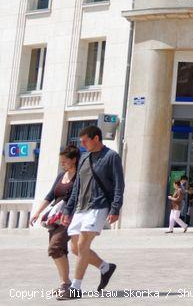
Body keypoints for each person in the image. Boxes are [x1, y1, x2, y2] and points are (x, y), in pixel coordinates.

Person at [57, 125, 124, 300]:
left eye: (85, 141)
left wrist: (116, 207)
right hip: (81, 207)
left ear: (96, 139)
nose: (83, 144)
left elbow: (119, 184)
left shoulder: (111, 157)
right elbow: (77, 187)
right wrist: (68, 209)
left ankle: (75, 288)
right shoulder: (84, 158)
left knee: (83, 245)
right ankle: (105, 268)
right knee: (75, 248)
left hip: (99, 205)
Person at [29, 145, 80, 294]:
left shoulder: (80, 177)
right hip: (55, 218)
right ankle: (65, 284)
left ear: (74, 160)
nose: (62, 164)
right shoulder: (61, 176)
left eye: (64, 161)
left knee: (54, 248)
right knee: (60, 250)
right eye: (61, 161)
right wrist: (37, 212)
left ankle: (69, 283)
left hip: (69, 218)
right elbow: (51, 195)